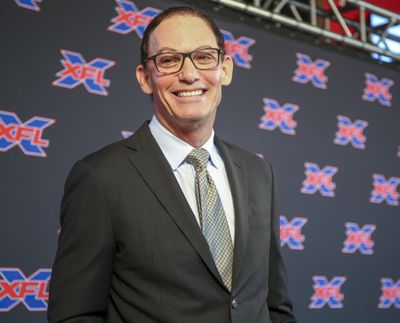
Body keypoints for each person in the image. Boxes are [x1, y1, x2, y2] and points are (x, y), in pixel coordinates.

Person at [48, 6, 297, 323]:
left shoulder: (259, 172)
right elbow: (75, 315)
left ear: (226, 69)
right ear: (145, 78)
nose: (190, 74)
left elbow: (275, 304)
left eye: (204, 57)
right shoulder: (100, 177)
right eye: (168, 60)